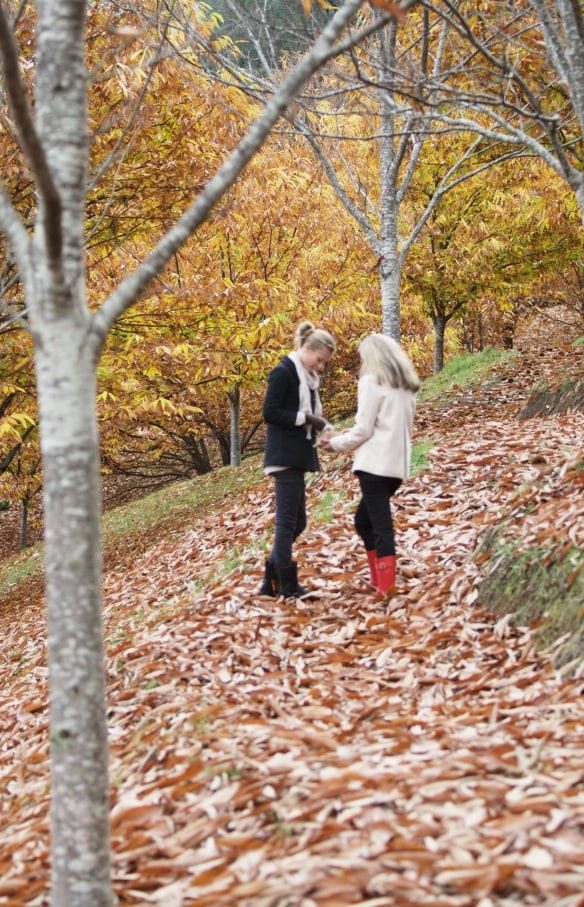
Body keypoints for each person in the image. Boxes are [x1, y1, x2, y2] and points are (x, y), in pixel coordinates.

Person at [319, 333, 419, 597]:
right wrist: (345, 436)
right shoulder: (406, 387)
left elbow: (364, 429)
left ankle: (386, 588)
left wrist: (335, 444)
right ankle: (378, 581)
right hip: (396, 466)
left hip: (375, 464)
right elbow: (387, 426)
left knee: (379, 524)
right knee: (363, 521)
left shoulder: (371, 381)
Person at [259, 320, 336, 599]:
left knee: (298, 522)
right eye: (319, 359)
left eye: (323, 362)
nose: (320, 366)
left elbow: (309, 414)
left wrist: (321, 426)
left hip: (298, 453)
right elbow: (269, 412)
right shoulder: (284, 372)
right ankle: (287, 586)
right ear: (306, 348)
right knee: (287, 522)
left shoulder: (308, 380)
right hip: (284, 455)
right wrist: (307, 419)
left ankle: (271, 582)